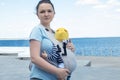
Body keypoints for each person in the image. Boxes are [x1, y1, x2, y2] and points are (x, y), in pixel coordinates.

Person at [29, 0, 75, 80]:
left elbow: (57, 54)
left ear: (54, 13)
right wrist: (57, 71)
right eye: (42, 12)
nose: (46, 14)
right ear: (37, 15)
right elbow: (34, 58)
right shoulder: (37, 30)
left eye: (49, 11)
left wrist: (70, 49)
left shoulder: (55, 33)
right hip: (41, 77)